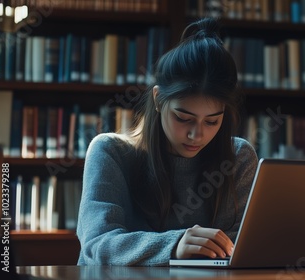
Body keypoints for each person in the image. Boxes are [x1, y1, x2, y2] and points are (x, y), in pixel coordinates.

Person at [76, 17, 258, 266]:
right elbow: (97, 245)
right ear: (159, 100)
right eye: (184, 118)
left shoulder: (237, 158)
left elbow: (238, 254)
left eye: (212, 121)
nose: (197, 135)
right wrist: (174, 245)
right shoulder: (110, 151)